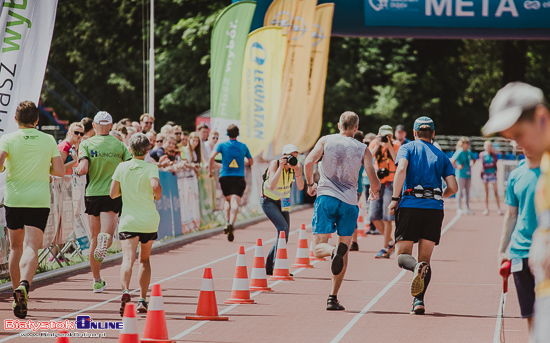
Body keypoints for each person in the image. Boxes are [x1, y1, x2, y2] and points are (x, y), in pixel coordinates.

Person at [482, 82, 550, 342]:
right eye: (510, 139)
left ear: (541, 117)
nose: (517, 145)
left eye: (519, 134)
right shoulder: (540, 169)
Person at [304, 111, 380, 311]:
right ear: (356, 128)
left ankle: (332, 252)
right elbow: (373, 179)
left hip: (327, 198)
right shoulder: (364, 149)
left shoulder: (326, 140)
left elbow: (308, 162)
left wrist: (310, 184)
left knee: (318, 248)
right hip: (349, 202)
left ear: (339, 125)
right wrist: (375, 191)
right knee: (344, 250)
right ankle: (333, 297)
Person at [0, 101, 65, 318]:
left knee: (15, 248)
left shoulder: (8, 139)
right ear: (37, 120)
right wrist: (43, 167)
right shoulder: (47, 140)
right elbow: (59, 171)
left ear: (16, 119)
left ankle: (16, 290)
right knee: (31, 246)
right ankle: (25, 286)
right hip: (38, 200)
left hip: (14, 199)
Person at [389, 116, 457, 315]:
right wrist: (438, 196)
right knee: (426, 260)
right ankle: (418, 301)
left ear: (414, 133)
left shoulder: (407, 148)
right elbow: (453, 187)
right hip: (434, 208)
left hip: (410, 205)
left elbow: (401, 169)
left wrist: (394, 198)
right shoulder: (442, 156)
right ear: (433, 134)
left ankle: (415, 267)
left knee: (402, 256)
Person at [77, 111, 133, 293]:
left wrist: (76, 170)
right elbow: (130, 167)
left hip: (92, 193)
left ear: (93, 126)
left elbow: (83, 169)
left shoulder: (86, 144)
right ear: (111, 126)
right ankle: (106, 239)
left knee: (94, 239)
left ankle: (96, 280)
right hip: (112, 193)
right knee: (106, 236)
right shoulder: (119, 144)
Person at [110, 133, 162, 316]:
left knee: (128, 259)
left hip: (129, 220)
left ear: (129, 149)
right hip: (148, 220)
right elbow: (155, 187)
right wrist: (156, 195)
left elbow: (113, 193)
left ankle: (125, 291)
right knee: (145, 260)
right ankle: (142, 299)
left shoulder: (122, 167)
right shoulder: (151, 167)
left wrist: (126, 191)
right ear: (148, 150)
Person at [497, 150, 540, 332]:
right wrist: (502, 249)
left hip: (544, 252)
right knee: (530, 313)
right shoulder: (515, 174)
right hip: (520, 252)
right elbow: (511, 214)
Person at [261, 144, 304, 275]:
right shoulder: (275, 164)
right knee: (282, 228)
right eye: (290, 156)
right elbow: (272, 185)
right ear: (283, 156)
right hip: (269, 200)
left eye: (295, 156)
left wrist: (297, 171)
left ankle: (270, 266)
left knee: (284, 234)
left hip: (284, 200)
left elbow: (301, 187)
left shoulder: (296, 166)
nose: (293, 159)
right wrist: (281, 167)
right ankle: (276, 266)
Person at [208, 124, 253, 242]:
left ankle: (227, 222)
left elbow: (211, 157)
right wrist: (244, 162)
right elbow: (251, 161)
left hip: (225, 176)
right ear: (238, 134)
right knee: (235, 202)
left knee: (227, 200)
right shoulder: (243, 146)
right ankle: (232, 223)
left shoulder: (222, 145)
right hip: (238, 177)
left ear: (227, 134)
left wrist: (210, 171)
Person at [368, 125, 401, 258]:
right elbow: (368, 159)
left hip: (391, 182)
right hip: (377, 181)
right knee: (373, 216)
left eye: (389, 136)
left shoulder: (397, 145)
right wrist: (377, 144)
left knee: (388, 216)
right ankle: (391, 242)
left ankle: (385, 246)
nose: (386, 138)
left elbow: (399, 161)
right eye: (384, 136)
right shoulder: (374, 144)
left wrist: (389, 147)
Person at [451, 137, 474, 215]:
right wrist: (457, 166)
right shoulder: (459, 151)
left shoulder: (468, 152)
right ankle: (459, 208)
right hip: (461, 174)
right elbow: (452, 160)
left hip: (468, 174)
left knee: (467, 191)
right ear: (463, 144)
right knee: (460, 191)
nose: (467, 145)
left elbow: (474, 159)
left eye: (468, 143)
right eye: (466, 143)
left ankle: (467, 207)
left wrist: (472, 163)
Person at [350, 130, 365, 251]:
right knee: (351, 213)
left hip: (352, 187)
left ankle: (351, 241)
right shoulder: (363, 152)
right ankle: (353, 241)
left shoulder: (356, 153)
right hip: (357, 187)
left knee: (348, 214)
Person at [479, 140, 503, 216]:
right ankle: (486, 208)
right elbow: (484, 164)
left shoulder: (494, 155)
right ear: (484, 146)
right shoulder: (482, 154)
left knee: (496, 192)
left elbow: (494, 163)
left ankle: (499, 208)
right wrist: (490, 164)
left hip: (493, 174)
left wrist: (493, 154)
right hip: (485, 174)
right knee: (486, 193)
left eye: (490, 146)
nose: (489, 147)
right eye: (487, 146)